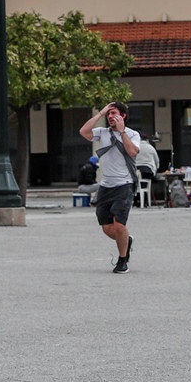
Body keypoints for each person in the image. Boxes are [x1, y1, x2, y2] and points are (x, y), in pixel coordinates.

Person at [81, 101, 140, 272]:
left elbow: (132, 152)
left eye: (114, 113)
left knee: (119, 224)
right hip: (106, 186)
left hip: (124, 184)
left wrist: (121, 132)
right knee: (107, 228)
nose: (110, 117)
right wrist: (100, 113)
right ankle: (126, 240)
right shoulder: (102, 133)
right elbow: (83, 132)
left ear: (123, 116)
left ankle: (123, 260)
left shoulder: (132, 134)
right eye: (109, 114)